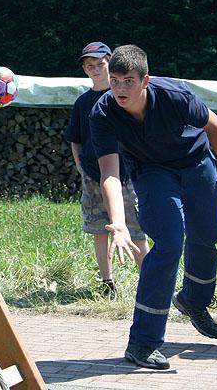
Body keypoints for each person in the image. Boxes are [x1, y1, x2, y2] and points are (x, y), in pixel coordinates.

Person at [90, 45, 217, 371]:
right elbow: (109, 172)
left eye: (128, 81)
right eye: (115, 80)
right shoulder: (103, 113)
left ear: (145, 80)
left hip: (195, 162)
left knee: (207, 233)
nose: (120, 89)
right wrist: (118, 223)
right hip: (151, 171)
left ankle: (193, 299)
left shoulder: (175, 95)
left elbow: (214, 126)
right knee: (169, 244)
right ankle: (143, 343)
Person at [64, 41, 148, 299]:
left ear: (110, 64)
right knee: (99, 230)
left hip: (126, 175)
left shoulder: (123, 96)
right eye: (90, 66)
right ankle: (107, 282)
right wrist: (80, 165)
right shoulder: (82, 102)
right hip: (93, 175)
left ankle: (151, 282)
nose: (95, 69)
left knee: (136, 230)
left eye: (100, 64)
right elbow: (74, 138)